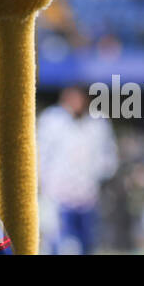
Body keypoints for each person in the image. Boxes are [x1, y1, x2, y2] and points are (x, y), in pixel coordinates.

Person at [38, 86, 117, 254]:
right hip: (58, 194)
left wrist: (99, 176)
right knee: (60, 242)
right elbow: (41, 154)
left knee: (88, 242)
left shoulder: (97, 123)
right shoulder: (52, 120)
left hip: (88, 195)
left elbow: (108, 155)